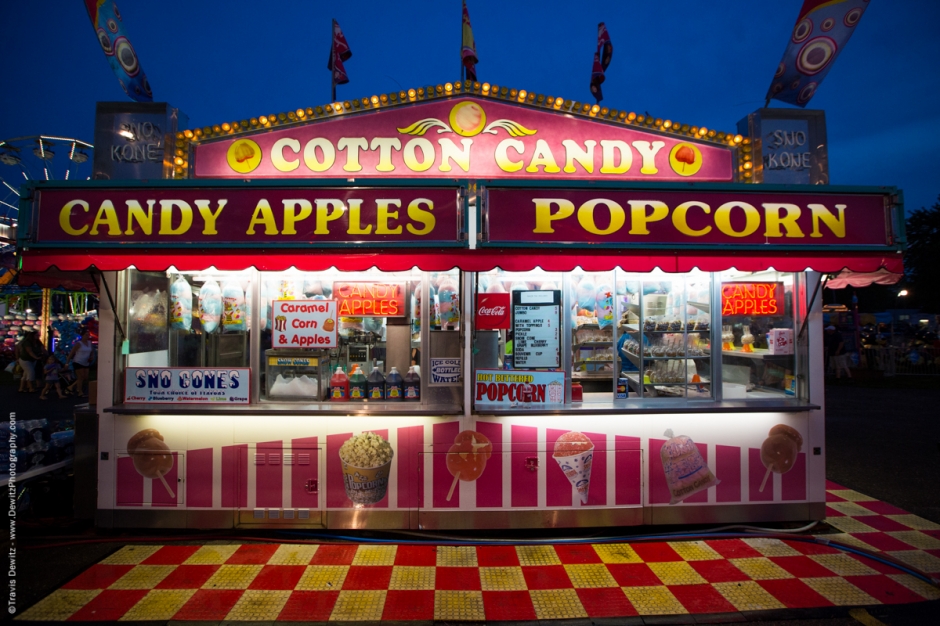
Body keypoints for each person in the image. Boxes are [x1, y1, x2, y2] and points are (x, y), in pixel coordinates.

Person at [67, 329, 96, 397]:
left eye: (88, 335)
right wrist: (67, 363)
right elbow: (72, 353)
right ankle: (80, 391)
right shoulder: (78, 344)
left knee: (85, 377)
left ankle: (72, 387)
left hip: (86, 362)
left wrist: (92, 357)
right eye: (86, 335)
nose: (87, 336)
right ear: (82, 335)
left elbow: (92, 351)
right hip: (78, 361)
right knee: (80, 376)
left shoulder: (89, 343)